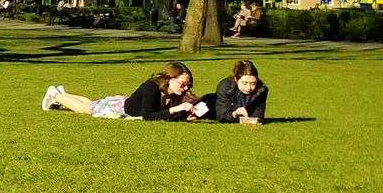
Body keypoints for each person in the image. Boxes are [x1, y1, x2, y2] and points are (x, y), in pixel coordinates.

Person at [42, 62, 198, 120]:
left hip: (122, 102)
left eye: (188, 84)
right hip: (118, 107)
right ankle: (56, 95)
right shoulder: (152, 87)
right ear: (170, 78)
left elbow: (163, 114)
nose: (186, 88)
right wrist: (177, 109)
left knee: (91, 103)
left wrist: (185, 116)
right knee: (85, 109)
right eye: (183, 84)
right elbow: (148, 116)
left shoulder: (175, 93)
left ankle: (64, 93)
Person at [200, 60, 268, 125]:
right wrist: (235, 113)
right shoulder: (225, 87)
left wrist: (253, 120)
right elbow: (221, 116)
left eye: (253, 83)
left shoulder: (261, 90)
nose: (249, 87)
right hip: (208, 107)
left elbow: (259, 116)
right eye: (244, 83)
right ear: (236, 79)